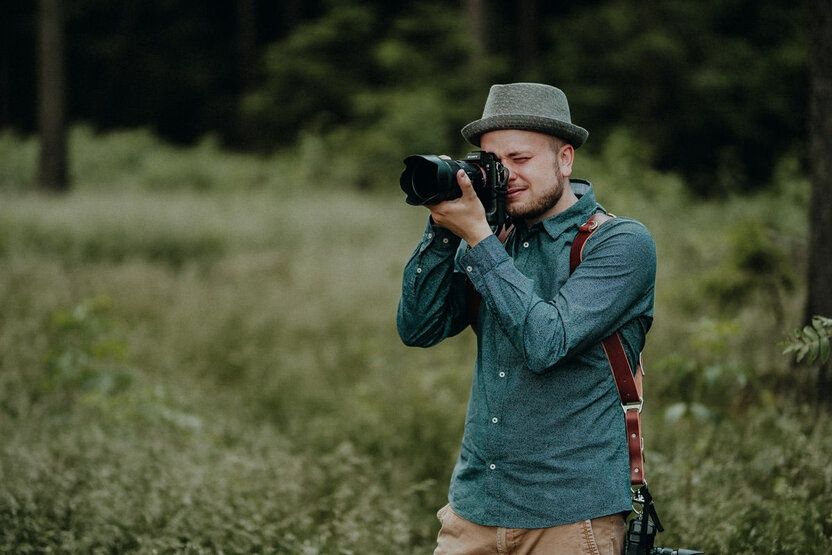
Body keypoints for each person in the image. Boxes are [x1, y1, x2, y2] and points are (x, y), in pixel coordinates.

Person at [396, 83, 657, 554]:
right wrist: (439, 231)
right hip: (473, 511)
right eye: (493, 163)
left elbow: (546, 342)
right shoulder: (492, 237)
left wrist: (477, 238)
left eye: (520, 159)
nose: (505, 175)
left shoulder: (619, 243)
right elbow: (418, 328)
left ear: (565, 159)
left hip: (571, 518)